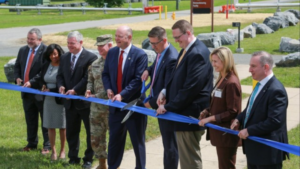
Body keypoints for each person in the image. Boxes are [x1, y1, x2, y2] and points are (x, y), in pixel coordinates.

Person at [156, 20, 213, 169]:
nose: (175, 41)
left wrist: (168, 107)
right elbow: (176, 76)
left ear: (188, 33)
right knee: (186, 159)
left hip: (190, 115)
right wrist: (165, 91)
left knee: (190, 160)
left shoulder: (197, 53)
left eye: (177, 37)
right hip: (183, 113)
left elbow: (190, 89)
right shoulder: (186, 49)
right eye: (174, 38)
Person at [231, 51, 289, 169]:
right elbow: (251, 108)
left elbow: (274, 121)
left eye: (253, 66)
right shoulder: (259, 85)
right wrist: (238, 119)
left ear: (266, 67)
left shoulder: (276, 90)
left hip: (267, 153)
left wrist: (249, 130)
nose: (249, 70)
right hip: (255, 150)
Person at [102, 25, 148, 169]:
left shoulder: (140, 55)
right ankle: (113, 166)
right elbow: (106, 74)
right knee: (114, 141)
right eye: (115, 36)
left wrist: (121, 95)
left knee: (137, 141)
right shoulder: (112, 53)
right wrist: (109, 88)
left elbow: (137, 80)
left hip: (133, 106)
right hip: (115, 107)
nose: (116, 39)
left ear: (129, 37)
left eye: (119, 36)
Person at [56, 31, 97, 169]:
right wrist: (60, 86)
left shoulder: (91, 58)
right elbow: (60, 75)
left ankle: (88, 159)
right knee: (72, 132)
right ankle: (73, 157)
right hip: (69, 103)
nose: (69, 46)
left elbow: (87, 78)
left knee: (90, 132)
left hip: (85, 103)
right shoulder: (65, 57)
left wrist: (75, 90)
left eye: (72, 43)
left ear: (81, 42)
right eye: (68, 43)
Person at [141, 26, 179, 169]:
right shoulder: (162, 51)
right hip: (160, 105)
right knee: (167, 143)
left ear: (164, 40)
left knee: (170, 146)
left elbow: (168, 87)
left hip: (166, 107)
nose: (152, 46)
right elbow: (157, 65)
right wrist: (148, 70)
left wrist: (150, 104)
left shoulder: (171, 58)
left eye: (154, 43)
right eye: (150, 43)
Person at [198, 47, 241, 169]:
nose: (213, 64)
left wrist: (210, 119)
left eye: (216, 61)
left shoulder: (231, 82)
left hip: (226, 134)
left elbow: (232, 111)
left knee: (226, 166)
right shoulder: (222, 78)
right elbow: (217, 101)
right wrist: (207, 111)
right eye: (212, 61)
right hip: (220, 133)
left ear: (225, 61)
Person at [24, 44, 66, 161]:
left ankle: (63, 151)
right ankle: (53, 151)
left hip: (60, 99)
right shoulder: (46, 65)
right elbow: (42, 78)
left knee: (62, 126)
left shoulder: (64, 65)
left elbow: (65, 82)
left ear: (59, 54)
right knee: (50, 126)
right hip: (48, 100)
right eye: (50, 54)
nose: (53, 57)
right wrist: (43, 85)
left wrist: (52, 90)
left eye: (55, 54)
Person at [14, 28, 50, 154]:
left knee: (45, 119)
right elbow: (17, 65)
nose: (29, 41)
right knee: (30, 118)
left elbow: (44, 70)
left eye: (32, 39)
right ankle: (32, 143)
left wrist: (32, 82)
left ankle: (47, 145)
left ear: (40, 39)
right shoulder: (23, 50)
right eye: (28, 38)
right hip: (26, 92)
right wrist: (17, 77)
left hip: (40, 91)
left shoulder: (46, 51)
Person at [85, 34, 113, 169]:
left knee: (113, 139)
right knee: (96, 138)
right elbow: (90, 80)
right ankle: (102, 164)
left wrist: (100, 94)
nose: (100, 48)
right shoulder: (95, 64)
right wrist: (89, 91)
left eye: (102, 46)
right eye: (98, 46)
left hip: (110, 108)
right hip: (96, 108)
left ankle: (115, 164)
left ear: (110, 45)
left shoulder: (115, 63)